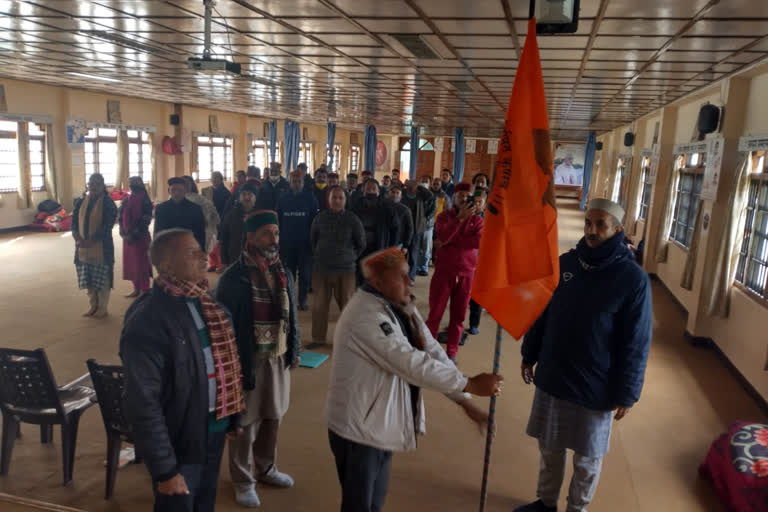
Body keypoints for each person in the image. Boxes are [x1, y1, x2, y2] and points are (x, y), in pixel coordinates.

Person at [326, 247, 504, 512]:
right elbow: (410, 363)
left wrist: (464, 400)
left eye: (409, 274)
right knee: (358, 506)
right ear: (377, 282)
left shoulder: (401, 305)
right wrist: (469, 383)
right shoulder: (364, 316)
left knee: (373, 503)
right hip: (358, 432)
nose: (410, 282)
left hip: (379, 424)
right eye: (402, 277)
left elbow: (430, 350)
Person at [515, 198, 652, 512]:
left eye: (600, 225)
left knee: (587, 458)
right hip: (554, 372)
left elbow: (636, 342)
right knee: (549, 447)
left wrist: (627, 392)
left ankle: (577, 508)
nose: (592, 231)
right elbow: (543, 312)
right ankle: (546, 503)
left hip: (597, 385)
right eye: (589, 223)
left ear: (617, 229)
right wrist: (529, 352)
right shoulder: (567, 265)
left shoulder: (632, 280)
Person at [121, 228, 245, 512]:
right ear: (166, 265)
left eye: (202, 250)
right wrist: (164, 469)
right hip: (179, 440)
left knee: (204, 502)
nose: (204, 257)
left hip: (213, 430)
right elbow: (142, 401)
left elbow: (223, 362)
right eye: (192, 253)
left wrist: (232, 415)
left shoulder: (205, 301)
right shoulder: (149, 319)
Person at [214, 210, 301, 509]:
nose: (273, 239)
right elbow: (222, 326)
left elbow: (292, 316)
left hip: (276, 357)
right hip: (247, 360)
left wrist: (295, 347)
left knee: (272, 415)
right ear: (250, 237)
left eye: (276, 233)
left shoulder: (282, 271)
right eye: (266, 233)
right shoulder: (233, 278)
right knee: (246, 423)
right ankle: (243, 480)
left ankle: (266, 469)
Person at [425, 183, 482, 363]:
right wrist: (459, 220)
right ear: (454, 197)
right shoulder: (443, 216)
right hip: (444, 272)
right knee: (435, 312)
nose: (463, 198)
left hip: (466, 273)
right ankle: (429, 348)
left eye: (467, 195)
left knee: (458, 316)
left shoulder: (478, 221)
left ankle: (452, 351)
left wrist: (451, 241)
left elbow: (478, 242)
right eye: (460, 195)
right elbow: (442, 236)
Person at [310, 186, 365, 346]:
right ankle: (318, 339)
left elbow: (361, 243)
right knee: (319, 306)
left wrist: (350, 257)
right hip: (322, 269)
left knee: (347, 306)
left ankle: (349, 339)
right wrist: (320, 255)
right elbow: (313, 240)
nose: (337, 201)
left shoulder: (353, 219)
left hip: (346, 270)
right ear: (329, 200)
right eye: (334, 197)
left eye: (340, 198)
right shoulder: (319, 218)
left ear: (345, 200)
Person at [72, 173, 118, 318]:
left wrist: (92, 240)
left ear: (103, 186)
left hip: (101, 247)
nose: (94, 186)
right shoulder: (80, 202)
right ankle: (93, 305)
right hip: (82, 247)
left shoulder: (108, 203)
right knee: (89, 277)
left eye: (97, 184)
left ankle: (102, 307)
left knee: (102, 278)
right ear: (88, 185)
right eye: (91, 183)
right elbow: (73, 222)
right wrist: (77, 237)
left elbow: (107, 226)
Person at [276, 171, 319, 311]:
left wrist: (313, 240)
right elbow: (278, 220)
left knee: (305, 274)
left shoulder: (310, 198)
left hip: (305, 244)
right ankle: (289, 300)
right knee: (289, 274)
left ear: (303, 182)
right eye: (293, 181)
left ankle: (303, 300)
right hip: (287, 243)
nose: (296, 183)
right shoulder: (283, 198)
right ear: (290, 182)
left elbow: (315, 221)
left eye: (298, 181)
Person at [351, 179, 401, 285]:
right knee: (360, 276)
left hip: (379, 246)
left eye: (374, 188)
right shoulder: (355, 206)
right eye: (368, 188)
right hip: (360, 248)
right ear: (363, 190)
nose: (371, 191)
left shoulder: (387, 207)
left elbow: (395, 228)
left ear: (378, 191)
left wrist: (392, 248)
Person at [118, 176, 153, 298]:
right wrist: (123, 233)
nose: (132, 185)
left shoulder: (145, 199)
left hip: (140, 237)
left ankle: (145, 290)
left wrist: (134, 234)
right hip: (128, 238)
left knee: (142, 264)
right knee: (131, 264)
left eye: (135, 183)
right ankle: (136, 289)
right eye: (130, 183)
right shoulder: (126, 199)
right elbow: (120, 217)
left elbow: (147, 218)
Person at [155, 177, 206, 251]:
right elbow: (158, 231)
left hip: (189, 249)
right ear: (169, 191)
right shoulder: (161, 208)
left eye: (180, 190)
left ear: (185, 191)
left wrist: (201, 251)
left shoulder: (195, 209)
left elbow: (200, 233)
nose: (177, 193)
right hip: (168, 249)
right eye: (173, 190)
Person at [183, 176, 220, 271]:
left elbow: (210, 211)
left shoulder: (198, 199)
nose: (186, 185)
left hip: (197, 232)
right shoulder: (176, 198)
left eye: (188, 183)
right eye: (184, 183)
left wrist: (208, 219)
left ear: (192, 185)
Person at [401, 178, 436, 281]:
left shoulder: (421, 195)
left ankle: (411, 277)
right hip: (403, 228)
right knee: (402, 253)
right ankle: (401, 275)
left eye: (414, 186)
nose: (411, 188)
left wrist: (420, 186)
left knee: (413, 253)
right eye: (409, 186)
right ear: (406, 186)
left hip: (416, 228)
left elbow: (431, 196)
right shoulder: (402, 193)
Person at [220, 183, 259, 268]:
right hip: (234, 259)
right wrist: (224, 260)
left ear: (255, 197)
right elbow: (224, 240)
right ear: (239, 197)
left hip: (256, 261)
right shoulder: (230, 216)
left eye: (250, 194)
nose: (246, 197)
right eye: (243, 194)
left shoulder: (261, 216)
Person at [203, 171, 231, 272]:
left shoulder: (226, 193)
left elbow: (227, 209)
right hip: (209, 221)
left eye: (216, 178)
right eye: (212, 178)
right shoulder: (208, 191)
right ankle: (213, 263)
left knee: (219, 243)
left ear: (221, 179)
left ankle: (221, 263)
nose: (214, 180)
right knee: (211, 241)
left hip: (220, 220)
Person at [387, 185, 414, 258]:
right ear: (388, 194)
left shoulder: (405, 210)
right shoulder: (382, 206)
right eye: (392, 192)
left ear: (401, 196)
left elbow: (410, 229)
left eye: (397, 193)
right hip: (384, 242)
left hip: (398, 243)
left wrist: (406, 245)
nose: (394, 195)